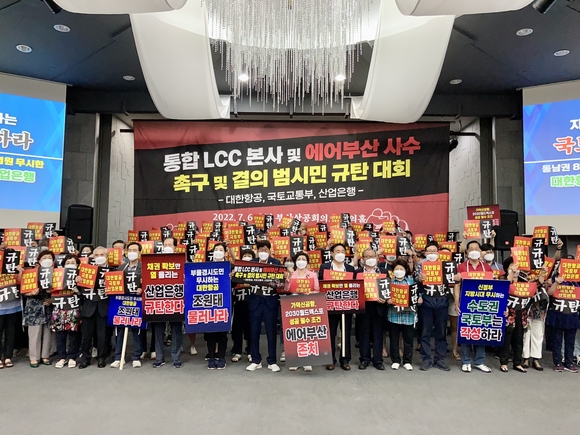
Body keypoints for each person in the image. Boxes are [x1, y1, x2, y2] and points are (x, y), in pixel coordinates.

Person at [454, 240, 494, 373]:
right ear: (466, 252)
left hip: (482, 303)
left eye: (477, 248)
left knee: (480, 331)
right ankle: (466, 361)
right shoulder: (462, 267)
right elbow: (457, 286)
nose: (474, 250)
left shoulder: (486, 267)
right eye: (471, 248)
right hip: (466, 302)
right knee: (466, 331)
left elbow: (493, 286)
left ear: (481, 251)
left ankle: (479, 361)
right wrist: (457, 302)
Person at [246, 240, 282, 373]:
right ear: (257, 251)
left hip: (270, 301)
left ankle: (272, 360)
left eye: (265, 250)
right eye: (261, 250)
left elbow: (280, 283)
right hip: (255, 301)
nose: (263, 252)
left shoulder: (276, 263)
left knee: (271, 332)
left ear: (269, 251)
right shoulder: (251, 263)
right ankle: (256, 360)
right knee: (254, 332)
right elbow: (243, 278)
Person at [319, 243, 356, 371]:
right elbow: (320, 284)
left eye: (342, 251)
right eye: (337, 251)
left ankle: (345, 360)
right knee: (331, 332)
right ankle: (330, 359)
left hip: (346, 304)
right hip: (330, 304)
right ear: (332, 254)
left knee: (345, 332)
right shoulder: (325, 267)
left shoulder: (350, 268)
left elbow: (355, 285)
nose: (340, 253)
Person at [416, 241, 451, 371]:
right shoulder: (421, 264)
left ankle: (439, 359)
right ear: (425, 253)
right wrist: (419, 278)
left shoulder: (445, 264)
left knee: (441, 331)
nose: (431, 253)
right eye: (429, 251)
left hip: (441, 300)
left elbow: (451, 280)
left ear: (438, 252)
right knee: (425, 331)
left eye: (434, 251)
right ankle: (426, 359)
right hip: (426, 300)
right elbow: (415, 280)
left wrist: (456, 277)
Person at [110, 242, 143, 369]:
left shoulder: (143, 267)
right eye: (130, 250)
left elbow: (149, 283)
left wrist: (142, 288)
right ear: (126, 252)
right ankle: (119, 357)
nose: (132, 252)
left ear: (139, 253)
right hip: (121, 301)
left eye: (135, 250)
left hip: (137, 302)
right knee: (120, 329)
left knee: (136, 330)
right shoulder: (121, 268)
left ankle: (136, 356)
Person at [285, 251, 320, 372]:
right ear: (295, 262)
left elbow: (317, 289)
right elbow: (286, 289)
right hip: (294, 304)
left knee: (307, 332)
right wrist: (289, 277)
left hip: (307, 304)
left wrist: (311, 292)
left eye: (303, 259)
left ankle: (307, 361)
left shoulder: (312, 274)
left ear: (307, 262)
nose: (301, 261)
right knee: (295, 333)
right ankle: (295, 361)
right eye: (299, 259)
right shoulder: (292, 273)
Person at [152, 236, 183, 368]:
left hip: (176, 299)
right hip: (158, 299)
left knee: (176, 329)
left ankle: (176, 358)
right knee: (158, 329)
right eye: (165, 245)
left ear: (175, 247)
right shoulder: (154, 260)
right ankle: (159, 358)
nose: (167, 247)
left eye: (170, 245)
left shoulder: (182, 260)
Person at [78, 246, 111, 369]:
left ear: (107, 257)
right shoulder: (85, 270)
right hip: (88, 305)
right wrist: (78, 280)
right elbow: (78, 290)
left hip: (104, 305)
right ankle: (85, 358)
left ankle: (101, 358)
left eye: (102, 255)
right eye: (96, 255)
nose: (99, 257)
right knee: (86, 335)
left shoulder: (112, 271)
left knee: (103, 335)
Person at [356, 248, 388, 370]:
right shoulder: (357, 273)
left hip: (379, 306)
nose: (370, 259)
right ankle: (364, 359)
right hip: (364, 307)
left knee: (378, 334)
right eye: (367, 256)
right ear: (363, 259)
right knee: (364, 333)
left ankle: (378, 360)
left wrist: (385, 298)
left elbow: (388, 288)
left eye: (372, 256)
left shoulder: (383, 271)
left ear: (377, 258)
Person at [388, 258, 421, 371]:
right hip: (394, 316)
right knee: (394, 340)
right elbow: (384, 295)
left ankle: (407, 361)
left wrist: (419, 299)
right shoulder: (390, 282)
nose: (399, 271)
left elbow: (418, 294)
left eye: (401, 268)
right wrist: (388, 300)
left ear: (405, 270)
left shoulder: (411, 282)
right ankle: (395, 360)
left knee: (409, 340)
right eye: (396, 269)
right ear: (393, 270)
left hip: (409, 316)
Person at [23, 250, 54, 367]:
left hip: (48, 306)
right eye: (44, 258)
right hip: (34, 306)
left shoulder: (56, 273)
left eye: (49, 257)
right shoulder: (31, 273)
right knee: (34, 333)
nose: (47, 260)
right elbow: (24, 290)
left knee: (47, 332)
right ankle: (34, 357)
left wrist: (52, 299)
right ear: (39, 261)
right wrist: (30, 293)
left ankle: (45, 355)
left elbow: (60, 290)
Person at [499, 257, 530, 373]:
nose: (515, 267)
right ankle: (504, 362)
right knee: (507, 338)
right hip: (508, 312)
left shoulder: (524, 280)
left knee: (519, 338)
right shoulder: (502, 278)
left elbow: (534, 287)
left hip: (521, 312)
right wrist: (511, 274)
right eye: (512, 265)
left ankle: (518, 362)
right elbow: (502, 289)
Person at [51, 254, 82, 369]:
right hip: (59, 308)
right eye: (67, 263)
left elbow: (84, 293)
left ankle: (72, 356)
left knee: (74, 334)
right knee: (60, 334)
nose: (70, 265)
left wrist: (78, 286)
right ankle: (62, 357)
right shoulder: (57, 275)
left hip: (73, 308)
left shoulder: (81, 275)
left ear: (77, 265)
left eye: (72, 263)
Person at [547, 273, 579, 373]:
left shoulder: (577, 280)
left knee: (570, 341)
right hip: (558, 314)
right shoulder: (556, 277)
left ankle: (569, 362)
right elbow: (549, 292)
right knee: (557, 340)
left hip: (572, 314)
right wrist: (556, 283)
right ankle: (558, 362)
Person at [205, 243, 229, 370]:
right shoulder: (206, 266)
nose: (218, 251)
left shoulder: (229, 266)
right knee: (210, 331)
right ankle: (211, 357)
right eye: (216, 249)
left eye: (221, 250)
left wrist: (232, 277)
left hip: (224, 303)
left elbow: (235, 284)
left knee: (222, 332)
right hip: (209, 302)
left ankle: (221, 357)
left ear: (225, 253)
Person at [231, 249, 254, 362]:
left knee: (250, 328)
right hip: (239, 303)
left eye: (249, 255)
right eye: (245, 255)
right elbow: (232, 284)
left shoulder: (256, 271)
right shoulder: (236, 270)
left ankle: (250, 351)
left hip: (252, 304)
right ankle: (237, 351)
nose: (247, 257)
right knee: (237, 328)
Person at [0, 248, 22, 369]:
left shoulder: (16, 268)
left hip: (13, 305)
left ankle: (8, 356)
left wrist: (20, 271)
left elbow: (22, 283)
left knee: (10, 332)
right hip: (0, 306)